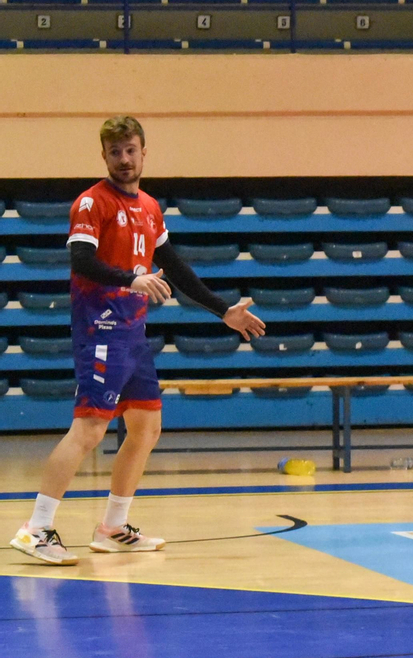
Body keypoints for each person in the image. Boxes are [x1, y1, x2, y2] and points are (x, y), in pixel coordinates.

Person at [10, 117, 265, 566]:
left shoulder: (149, 206)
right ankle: (36, 528)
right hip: (100, 329)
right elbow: (82, 261)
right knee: (89, 429)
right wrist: (132, 278)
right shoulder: (92, 203)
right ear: (104, 156)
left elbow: (175, 266)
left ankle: (111, 527)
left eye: (130, 150)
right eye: (115, 153)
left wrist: (222, 310)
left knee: (146, 427)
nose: (124, 160)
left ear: (144, 152)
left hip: (133, 334)